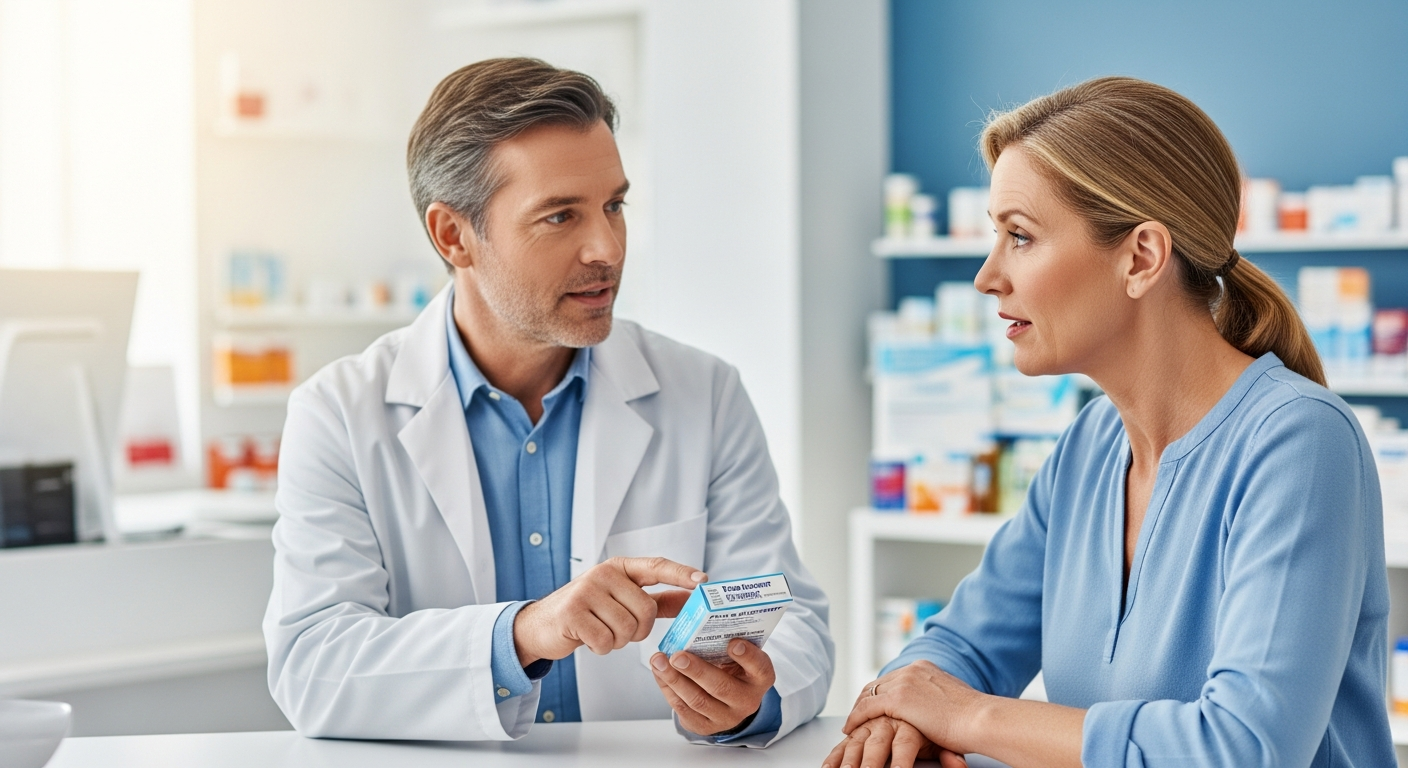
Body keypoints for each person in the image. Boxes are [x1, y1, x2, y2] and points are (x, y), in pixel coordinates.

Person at [263, 58, 832, 747]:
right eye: (560, 216)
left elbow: (792, 622)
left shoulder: (704, 394)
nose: (607, 249)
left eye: (614, 206)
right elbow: (314, 664)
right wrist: (528, 632)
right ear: (453, 236)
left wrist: (746, 700)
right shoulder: (340, 413)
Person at [828, 77, 1394, 768]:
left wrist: (970, 716)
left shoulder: (1300, 443)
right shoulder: (1089, 447)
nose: (987, 276)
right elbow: (960, 646)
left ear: (1142, 258)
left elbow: (1244, 748)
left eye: (1020, 236)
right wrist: (899, 718)